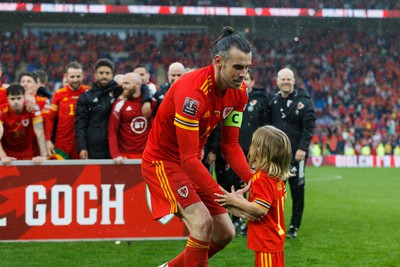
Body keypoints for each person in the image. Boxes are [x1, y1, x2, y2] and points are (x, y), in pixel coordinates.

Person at [142, 26, 259, 267]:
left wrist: (255, 181)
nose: (243, 74)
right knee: (203, 223)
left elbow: (230, 145)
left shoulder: (240, 93)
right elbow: (186, 159)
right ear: (218, 62)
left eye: (247, 68)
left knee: (225, 233)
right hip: (163, 163)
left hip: (192, 163)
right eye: (237, 67)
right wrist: (225, 197)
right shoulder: (192, 95)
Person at [215, 125, 292, 267]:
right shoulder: (276, 177)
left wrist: (234, 201)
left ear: (259, 152)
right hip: (274, 240)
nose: (249, 148)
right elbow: (282, 198)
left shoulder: (262, 178)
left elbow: (260, 209)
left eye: (252, 144)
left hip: (266, 241)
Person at [218, 70, 270, 235]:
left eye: (247, 79)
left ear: (253, 82)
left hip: (252, 153)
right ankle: (235, 219)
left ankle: (249, 218)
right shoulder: (229, 97)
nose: (243, 82)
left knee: (251, 185)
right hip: (233, 151)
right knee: (231, 183)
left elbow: (265, 127)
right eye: (242, 79)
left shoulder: (260, 102)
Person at [267, 67, 316, 238]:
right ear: (277, 81)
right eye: (283, 79)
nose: (286, 82)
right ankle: (274, 223)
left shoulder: (304, 101)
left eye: (289, 79)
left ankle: (294, 226)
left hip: (296, 155)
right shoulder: (273, 102)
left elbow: (309, 126)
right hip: (276, 157)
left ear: (294, 81)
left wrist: (302, 148)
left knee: (297, 191)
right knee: (273, 192)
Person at [76, 59, 152, 160]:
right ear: (95, 75)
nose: (104, 76)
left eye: (107, 73)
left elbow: (139, 86)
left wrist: (146, 100)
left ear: (112, 75)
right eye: (101, 73)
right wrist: (82, 147)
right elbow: (80, 124)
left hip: (117, 149)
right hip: (94, 148)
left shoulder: (119, 90)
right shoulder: (86, 97)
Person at [45, 62, 90, 159]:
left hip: (82, 143)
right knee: (62, 173)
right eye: (72, 76)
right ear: (66, 76)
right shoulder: (58, 94)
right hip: (62, 142)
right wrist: (48, 140)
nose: (75, 80)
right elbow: (50, 118)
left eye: (78, 76)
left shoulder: (89, 92)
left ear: (83, 76)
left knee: (82, 173)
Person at [108, 72, 155, 164]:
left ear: (137, 85)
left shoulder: (151, 103)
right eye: (123, 83)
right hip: (125, 157)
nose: (123, 86)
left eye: (127, 83)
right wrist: (115, 154)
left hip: (147, 156)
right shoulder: (119, 104)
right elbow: (112, 131)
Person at [0, 84, 47, 166]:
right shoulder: (2, 111)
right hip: (7, 153)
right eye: (12, 99)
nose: (16, 102)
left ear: (24, 97)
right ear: (7, 99)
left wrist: (44, 157)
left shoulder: (33, 109)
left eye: (19, 98)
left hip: (27, 153)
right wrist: (3, 156)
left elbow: (40, 133)